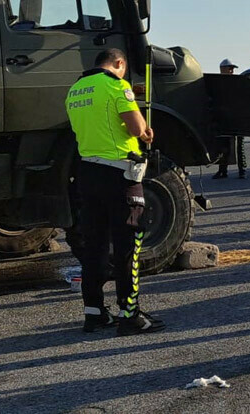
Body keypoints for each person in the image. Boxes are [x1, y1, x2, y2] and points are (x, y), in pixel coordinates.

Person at [65, 48, 164, 336]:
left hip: (87, 172)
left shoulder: (75, 90)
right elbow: (135, 128)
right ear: (119, 63)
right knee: (127, 245)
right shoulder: (116, 86)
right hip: (119, 173)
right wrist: (146, 132)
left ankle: (94, 312)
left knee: (94, 244)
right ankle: (129, 314)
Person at [212, 58, 247, 180]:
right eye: (230, 68)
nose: (232, 71)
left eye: (233, 69)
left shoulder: (238, 83)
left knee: (239, 146)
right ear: (223, 69)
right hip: (225, 119)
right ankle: (222, 170)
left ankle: (242, 170)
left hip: (237, 119)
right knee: (223, 146)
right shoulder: (217, 84)